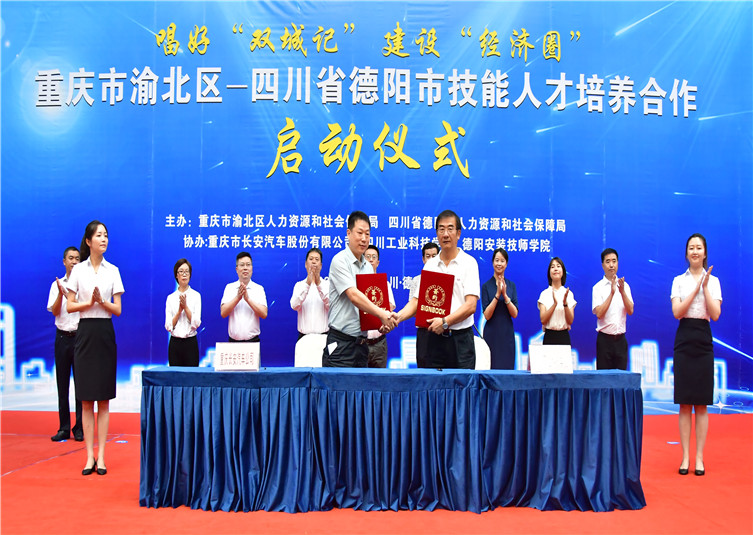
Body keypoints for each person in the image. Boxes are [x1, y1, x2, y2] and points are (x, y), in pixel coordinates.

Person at [66, 221, 124, 476]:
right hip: (85, 332)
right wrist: (89, 302)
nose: (104, 239)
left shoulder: (113, 270)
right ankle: (89, 456)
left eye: (106, 235)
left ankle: (102, 457)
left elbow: (118, 309)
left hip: (104, 332)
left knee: (103, 399)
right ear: (89, 241)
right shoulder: (79, 270)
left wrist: (102, 302)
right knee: (86, 400)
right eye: (99, 235)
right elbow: (70, 305)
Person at [396, 210, 480, 369]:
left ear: (458, 233)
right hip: (433, 340)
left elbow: (471, 306)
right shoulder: (430, 265)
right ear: (437, 234)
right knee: (432, 384)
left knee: (461, 385)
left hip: (460, 341)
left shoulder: (469, 263)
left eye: (450, 229)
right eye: (441, 229)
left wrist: (445, 322)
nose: (445, 234)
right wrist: (398, 317)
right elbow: (417, 301)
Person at [671, 233, 721, 477]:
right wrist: (695, 288)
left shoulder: (715, 281)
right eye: (691, 248)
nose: (695, 251)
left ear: (705, 253)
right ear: (686, 253)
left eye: (699, 248)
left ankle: (699, 457)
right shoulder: (678, 281)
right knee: (684, 403)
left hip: (703, 339)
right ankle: (685, 457)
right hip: (684, 338)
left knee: (701, 404)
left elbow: (716, 314)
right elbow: (677, 312)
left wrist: (706, 287)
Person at [323, 211, 397, 367]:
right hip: (341, 345)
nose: (364, 238)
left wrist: (380, 323)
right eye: (360, 233)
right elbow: (354, 296)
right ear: (348, 233)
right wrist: (382, 314)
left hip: (362, 346)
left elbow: (370, 305)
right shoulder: (339, 261)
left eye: (367, 234)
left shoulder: (368, 267)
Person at [47, 246, 83, 442]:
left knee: (81, 385)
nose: (74, 262)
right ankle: (63, 427)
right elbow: (54, 311)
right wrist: (62, 294)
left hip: (79, 338)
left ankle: (79, 428)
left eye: (77, 258)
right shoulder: (57, 285)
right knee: (62, 384)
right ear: (64, 261)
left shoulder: (83, 285)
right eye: (71, 258)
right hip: (62, 338)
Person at [592, 248, 634, 370]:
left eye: (614, 261)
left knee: (621, 378)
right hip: (604, 341)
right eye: (608, 261)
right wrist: (612, 293)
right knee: (604, 379)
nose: (611, 265)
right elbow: (599, 313)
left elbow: (630, 311)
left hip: (621, 340)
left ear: (618, 263)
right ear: (603, 265)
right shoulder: (597, 287)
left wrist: (622, 292)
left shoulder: (625, 286)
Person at [481, 248, 519, 369]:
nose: (499, 263)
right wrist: (497, 294)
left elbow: (515, 314)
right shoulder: (486, 286)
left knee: (507, 369)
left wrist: (505, 295)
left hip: (507, 333)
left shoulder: (511, 285)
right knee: (491, 368)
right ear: (492, 262)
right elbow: (487, 315)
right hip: (491, 334)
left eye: (502, 261)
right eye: (497, 260)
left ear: (506, 264)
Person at [220, 252, 268, 342]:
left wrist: (248, 299)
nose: (245, 268)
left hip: (252, 341)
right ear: (237, 269)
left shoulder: (259, 288)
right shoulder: (229, 287)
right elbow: (223, 313)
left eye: (248, 265)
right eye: (242, 265)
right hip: (233, 342)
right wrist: (238, 298)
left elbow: (264, 314)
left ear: (252, 268)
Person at [364, 245, 396, 368]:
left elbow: (390, 308)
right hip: (361, 342)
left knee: (379, 378)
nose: (371, 260)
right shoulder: (356, 284)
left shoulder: (385, 284)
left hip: (379, 342)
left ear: (378, 262)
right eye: (367, 257)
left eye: (374, 257)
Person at [165, 258, 201, 366]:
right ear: (176, 275)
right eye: (181, 271)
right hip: (175, 344)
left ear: (190, 275)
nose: (184, 274)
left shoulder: (196, 296)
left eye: (187, 271)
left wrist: (185, 307)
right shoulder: (170, 298)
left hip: (190, 343)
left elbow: (196, 323)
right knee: (174, 375)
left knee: (192, 375)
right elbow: (168, 326)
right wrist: (179, 311)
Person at [290, 247, 330, 338]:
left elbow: (332, 305)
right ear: (305, 264)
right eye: (311, 259)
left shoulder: (327, 285)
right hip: (304, 337)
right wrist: (307, 284)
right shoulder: (299, 285)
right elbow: (294, 305)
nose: (314, 262)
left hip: (323, 337)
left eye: (317, 259)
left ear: (321, 265)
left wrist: (318, 284)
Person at [537, 257, 576, 345]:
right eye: (552, 267)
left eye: (558, 266)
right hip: (549, 336)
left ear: (563, 271)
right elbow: (543, 320)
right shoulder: (544, 294)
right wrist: (554, 304)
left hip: (564, 336)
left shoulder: (569, 294)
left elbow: (570, 321)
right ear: (549, 273)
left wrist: (565, 304)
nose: (555, 269)